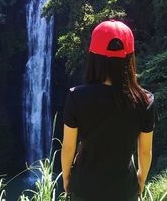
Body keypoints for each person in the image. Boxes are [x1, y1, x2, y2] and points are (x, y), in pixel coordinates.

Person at [61, 19, 158, 201]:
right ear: (130, 57)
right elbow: (145, 151)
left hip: (84, 188)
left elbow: (68, 147)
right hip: (123, 190)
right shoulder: (145, 100)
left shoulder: (76, 97)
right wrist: (141, 180)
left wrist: (67, 178)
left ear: (93, 56)